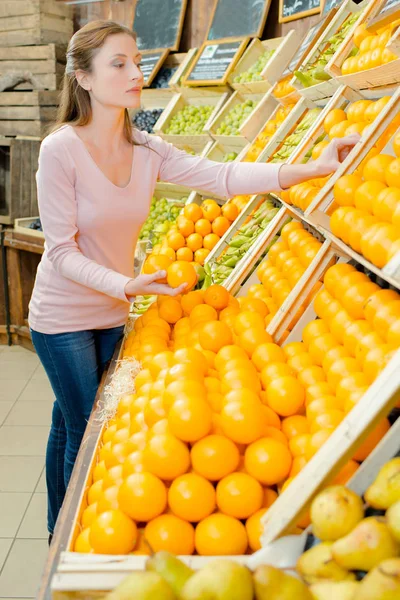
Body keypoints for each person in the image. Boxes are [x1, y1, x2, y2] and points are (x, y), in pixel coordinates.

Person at [28, 19, 360, 542]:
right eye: (119, 64)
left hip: (114, 312)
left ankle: (54, 527)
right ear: (84, 78)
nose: (136, 73)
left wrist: (310, 168)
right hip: (63, 315)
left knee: (67, 417)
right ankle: (65, 545)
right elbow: (61, 251)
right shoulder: (60, 151)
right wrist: (126, 285)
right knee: (88, 426)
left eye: (137, 61)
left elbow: (224, 178)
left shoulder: (148, 150)